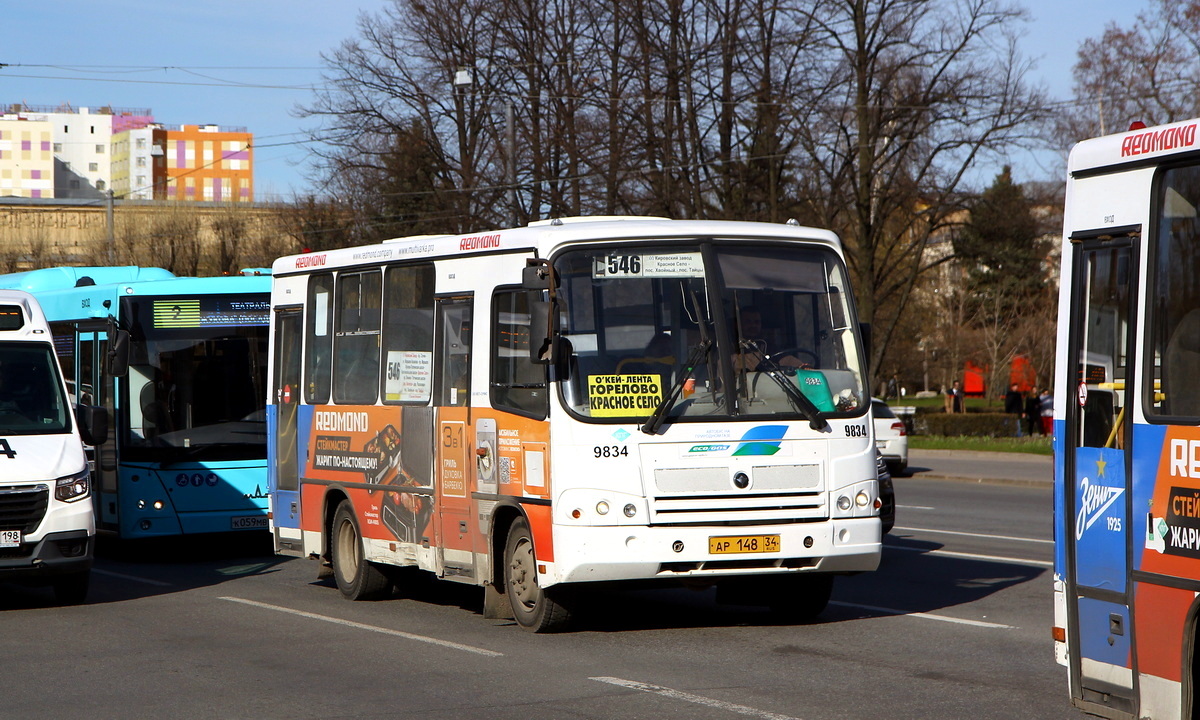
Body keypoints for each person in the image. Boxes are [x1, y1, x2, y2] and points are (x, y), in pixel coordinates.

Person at [731, 307, 803, 372]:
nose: (753, 326)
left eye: (757, 322)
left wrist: (803, 366)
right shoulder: (731, 348)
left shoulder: (766, 346)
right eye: (748, 322)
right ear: (738, 325)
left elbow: (785, 359)